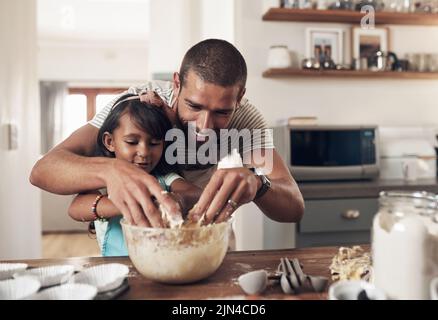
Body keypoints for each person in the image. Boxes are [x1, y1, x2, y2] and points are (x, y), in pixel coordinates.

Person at [30, 39, 304, 230]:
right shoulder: (138, 106)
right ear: (176, 83)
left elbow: (294, 208)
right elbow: (44, 170)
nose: (204, 126)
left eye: (221, 112)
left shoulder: (246, 120)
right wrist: (110, 170)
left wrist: (259, 183)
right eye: (193, 106)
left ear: (239, 97)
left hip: (207, 235)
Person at [68, 93, 201, 256]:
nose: (144, 152)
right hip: (119, 270)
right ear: (110, 142)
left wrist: (175, 200)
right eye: (132, 142)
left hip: (164, 266)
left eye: (154, 143)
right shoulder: (104, 183)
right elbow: (76, 209)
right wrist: (127, 204)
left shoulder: (165, 178)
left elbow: (195, 193)